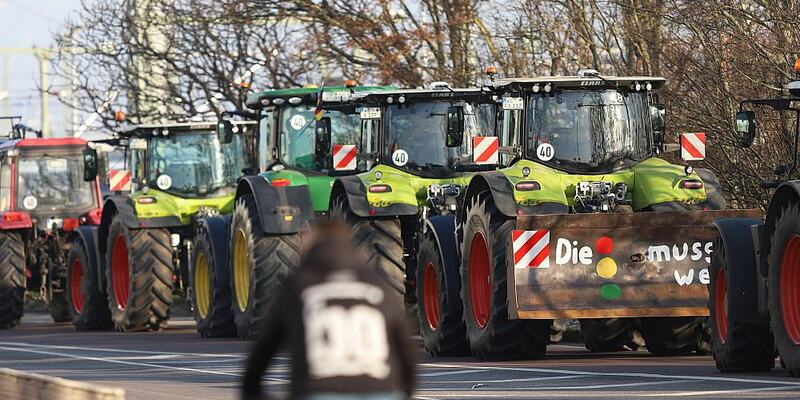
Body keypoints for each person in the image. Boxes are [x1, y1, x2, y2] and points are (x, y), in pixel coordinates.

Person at [241, 221, 416, 400]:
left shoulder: (298, 285)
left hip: (318, 390)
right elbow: (407, 351)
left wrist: (252, 391)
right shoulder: (378, 286)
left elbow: (263, 351)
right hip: (383, 391)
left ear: (312, 243)